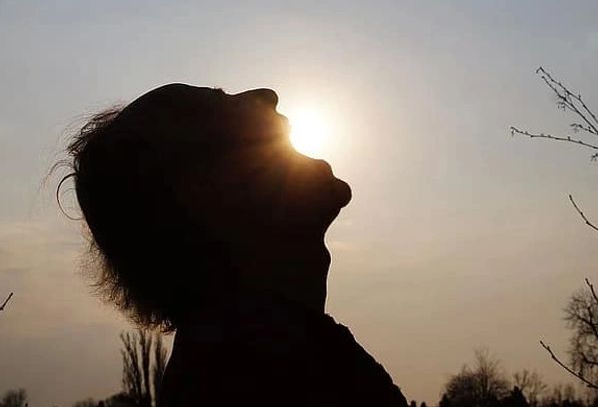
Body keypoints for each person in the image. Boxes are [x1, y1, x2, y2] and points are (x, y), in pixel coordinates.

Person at [63, 84, 408, 406]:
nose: (266, 95)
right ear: (205, 193)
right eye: (223, 104)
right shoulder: (250, 371)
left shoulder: (265, 348)